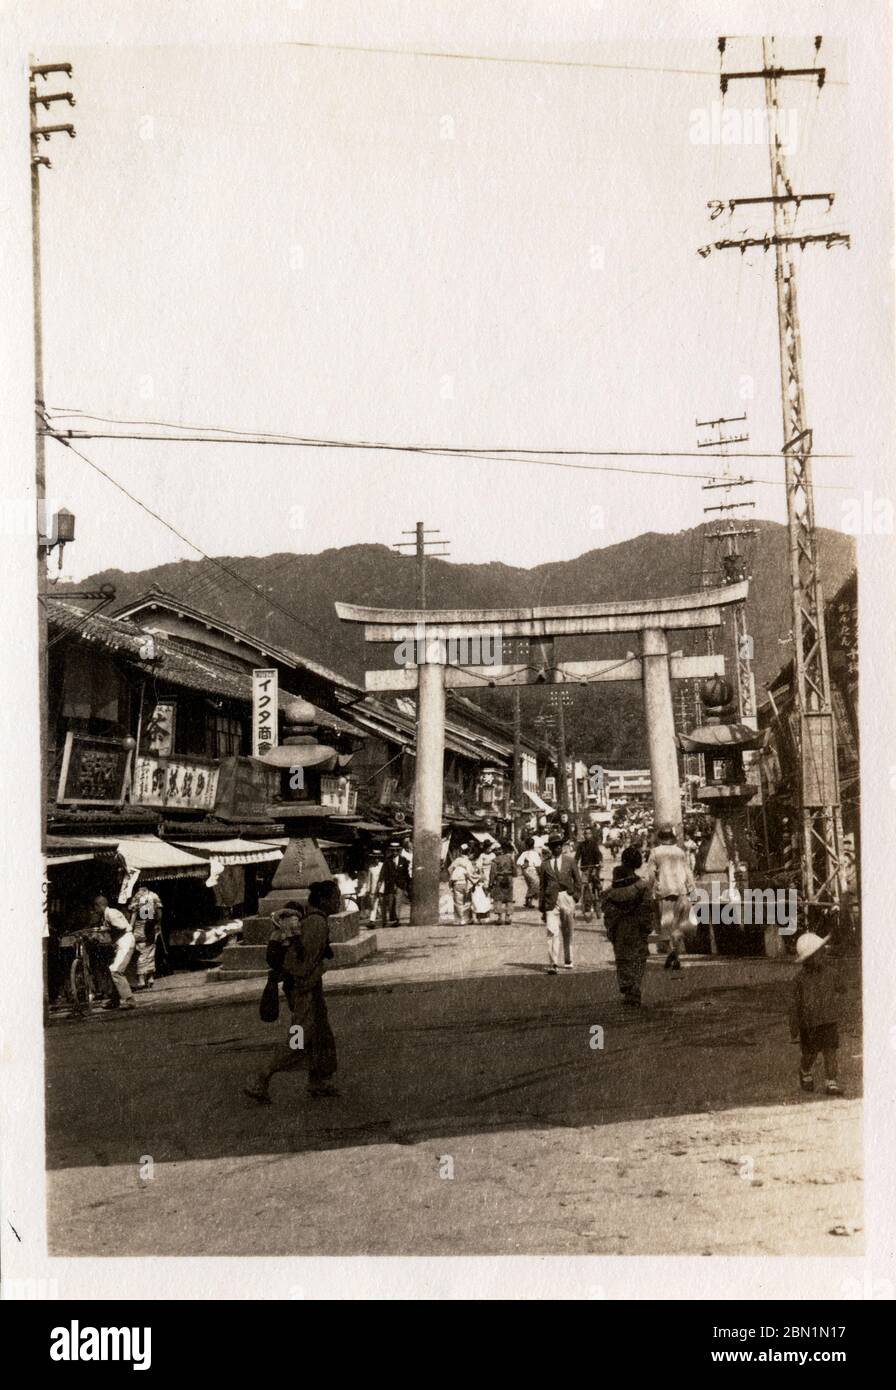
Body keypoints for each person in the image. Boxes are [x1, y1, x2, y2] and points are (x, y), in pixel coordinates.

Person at [244, 881, 341, 1104]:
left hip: (307, 988)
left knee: (320, 1035)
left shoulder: (313, 920)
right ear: (324, 900)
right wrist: (309, 979)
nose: (338, 901)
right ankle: (261, 1076)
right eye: (335, 897)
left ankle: (318, 1080)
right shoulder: (316, 923)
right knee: (298, 1038)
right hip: (304, 989)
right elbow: (302, 961)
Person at [789, 932, 844, 1095]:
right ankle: (805, 1070)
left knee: (830, 1051)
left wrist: (837, 1002)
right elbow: (794, 1005)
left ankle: (831, 1082)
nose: (823, 954)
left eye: (822, 951)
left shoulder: (831, 973)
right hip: (809, 1023)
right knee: (810, 1053)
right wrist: (794, 1027)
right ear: (807, 959)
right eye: (818, 952)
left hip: (828, 1019)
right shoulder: (799, 979)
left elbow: (842, 989)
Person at [602, 847, 654, 1007]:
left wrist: (611, 928)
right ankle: (635, 987)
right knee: (639, 957)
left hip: (620, 928)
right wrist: (647, 927)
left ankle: (627, 987)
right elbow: (647, 910)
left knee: (623, 958)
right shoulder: (643, 887)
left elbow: (607, 912)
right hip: (637, 927)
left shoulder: (610, 892)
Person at [644, 825, 695, 972]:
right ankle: (675, 953)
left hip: (664, 892)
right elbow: (688, 872)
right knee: (678, 925)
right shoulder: (680, 852)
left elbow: (652, 875)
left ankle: (672, 953)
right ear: (672, 838)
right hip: (681, 891)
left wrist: (650, 889)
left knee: (667, 925)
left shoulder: (655, 852)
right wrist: (692, 890)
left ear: (660, 838)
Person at [538, 831, 582, 973]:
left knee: (568, 930)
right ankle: (553, 963)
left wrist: (575, 896)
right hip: (551, 901)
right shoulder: (544, 865)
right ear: (550, 848)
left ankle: (568, 959)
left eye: (558, 845)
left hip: (566, 897)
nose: (557, 848)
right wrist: (542, 907)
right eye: (553, 846)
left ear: (562, 847)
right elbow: (542, 887)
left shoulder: (570, 861)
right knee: (552, 931)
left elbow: (578, 881)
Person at [93, 895, 136, 1011]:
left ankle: (129, 1000)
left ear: (99, 906)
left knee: (116, 970)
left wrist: (106, 930)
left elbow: (122, 927)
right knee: (111, 968)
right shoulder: (106, 915)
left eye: (95, 907)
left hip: (125, 942)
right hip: (121, 944)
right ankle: (115, 1000)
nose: (94, 911)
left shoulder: (111, 913)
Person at [128, 885, 162, 989]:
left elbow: (133, 913)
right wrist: (158, 924)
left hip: (139, 927)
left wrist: (130, 927)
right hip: (151, 927)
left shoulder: (137, 896)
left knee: (140, 952)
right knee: (150, 951)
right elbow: (160, 912)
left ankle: (141, 978)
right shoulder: (154, 895)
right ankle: (150, 977)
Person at [379, 841, 411, 927]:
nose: (395, 852)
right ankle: (392, 918)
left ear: (399, 851)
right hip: (390, 884)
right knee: (390, 902)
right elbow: (383, 872)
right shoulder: (387, 860)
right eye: (393, 850)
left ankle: (397, 919)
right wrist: (380, 881)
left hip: (400, 884)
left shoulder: (403, 860)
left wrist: (408, 883)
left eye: (397, 850)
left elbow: (406, 873)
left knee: (398, 901)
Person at [575, 827, 603, 922]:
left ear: (591, 834)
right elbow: (577, 857)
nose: (587, 835)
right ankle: (586, 907)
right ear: (583, 835)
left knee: (596, 885)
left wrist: (599, 862)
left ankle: (598, 902)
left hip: (594, 868)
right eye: (585, 833)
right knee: (584, 887)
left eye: (589, 833)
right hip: (585, 869)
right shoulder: (581, 845)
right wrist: (574, 865)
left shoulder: (594, 844)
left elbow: (599, 854)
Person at [448, 843, 479, 924]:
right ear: (469, 853)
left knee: (457, 902)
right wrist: (476, 879)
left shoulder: (457, 860)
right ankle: (465, 919)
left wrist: (453, 876)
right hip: (465, 882)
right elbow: (470, 873)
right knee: (467, 901)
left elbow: (450, 869)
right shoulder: (467, 862)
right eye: (472, 854)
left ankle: (459, 919)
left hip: (456, 883)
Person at [490, 841, 517, 925]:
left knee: (498, 898)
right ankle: (508, 917)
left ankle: (499, 918)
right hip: (508, 879)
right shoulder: (510, 859)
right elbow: (515, 871)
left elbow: (493, 872)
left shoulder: (495, 860)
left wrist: (491, 882)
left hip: (499, 878)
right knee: (509, 898)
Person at [516, 837, 542, 907]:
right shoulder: (535, 854)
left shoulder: (524, 853)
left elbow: (519, 862)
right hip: (531, 870)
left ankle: (528, 901)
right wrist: (539, 872)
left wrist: (523, 866)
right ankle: (528, 898)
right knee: (535, 884)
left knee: (531, 885)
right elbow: (538, 864)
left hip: (526, 871)